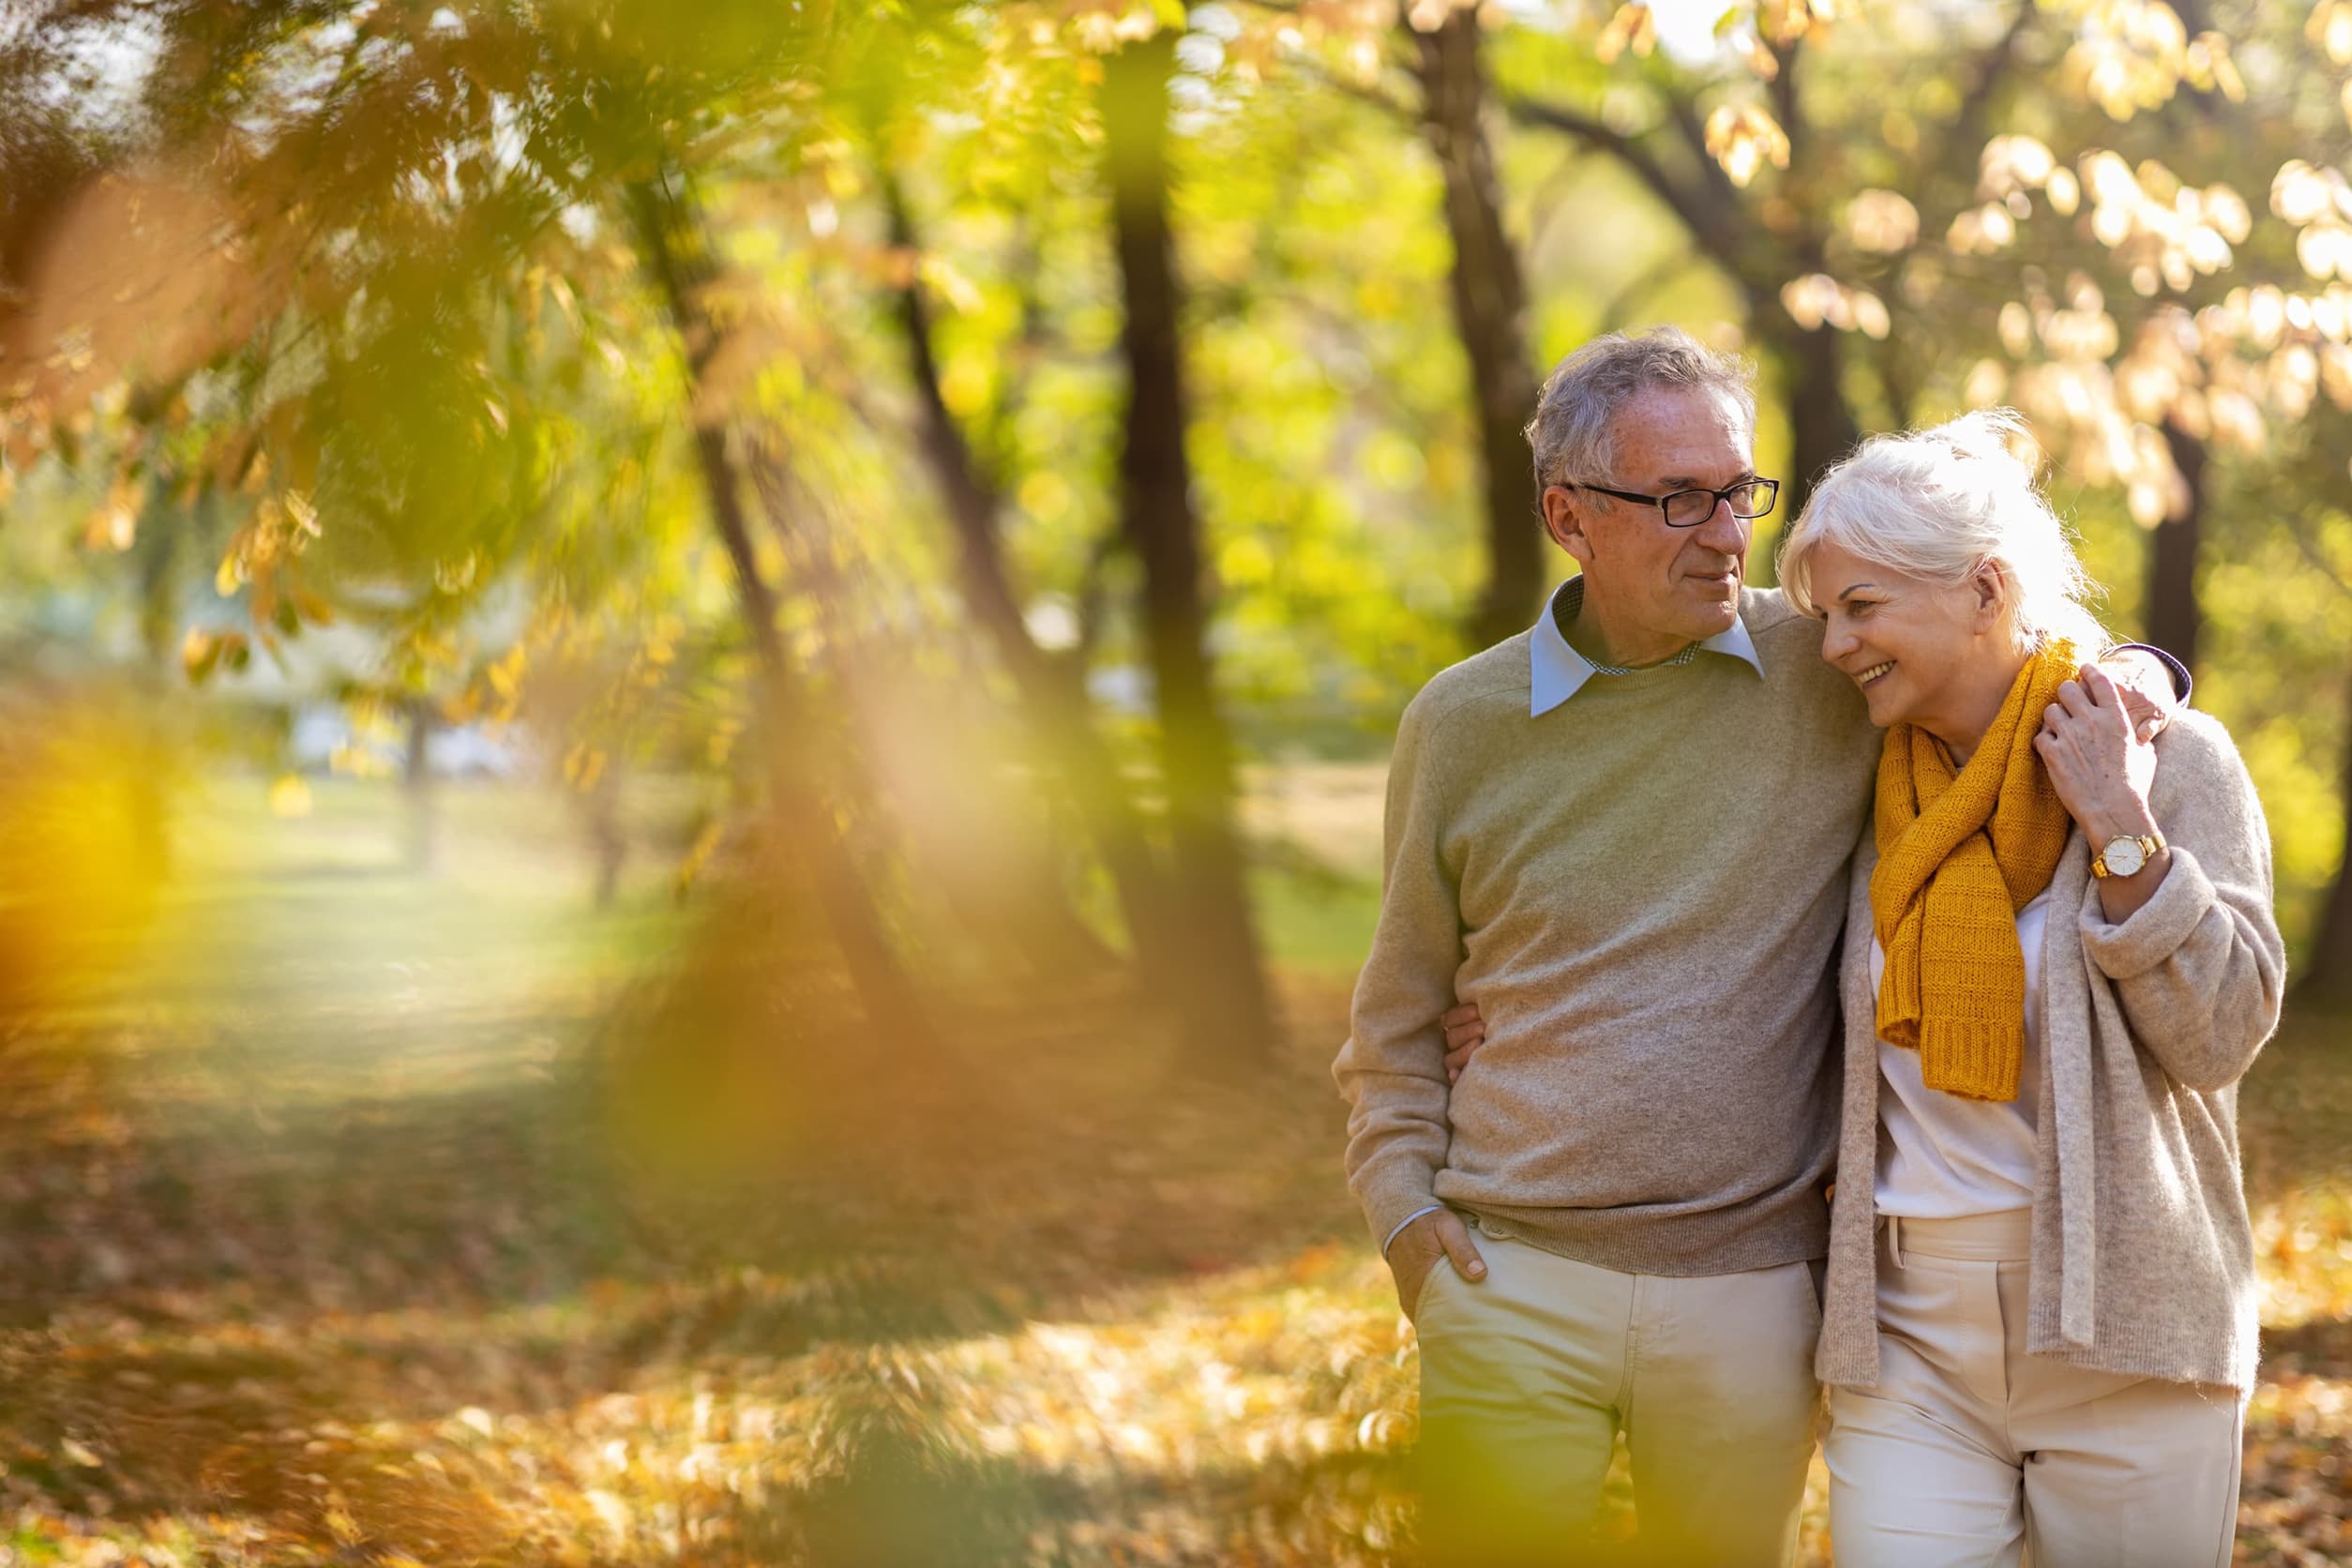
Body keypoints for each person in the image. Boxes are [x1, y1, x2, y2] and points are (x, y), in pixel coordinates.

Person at [1333, 329, 2179, 1567]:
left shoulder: (1825, 660)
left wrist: (2144, 671)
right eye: (1679, 498)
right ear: (1570, 516)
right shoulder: (1460, 723)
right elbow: (1399, 1013)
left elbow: (1992, 649)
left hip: (1752, 1291)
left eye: (1738, 491)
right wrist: (1407, 1220)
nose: (1726, 533)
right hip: (1508, 1278)